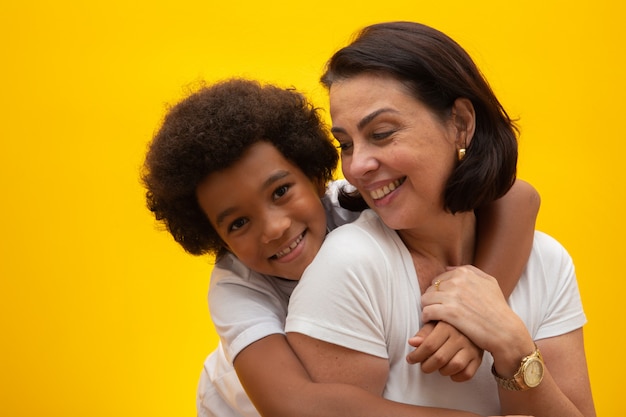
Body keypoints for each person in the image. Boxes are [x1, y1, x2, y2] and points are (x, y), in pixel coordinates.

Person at [142, 78, 540, 417]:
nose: (275, 228)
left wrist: (468, 320)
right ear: (215, 237)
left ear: (316, 175)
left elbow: (519, 197)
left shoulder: (353, 202)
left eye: (281, 191)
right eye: (239, 223)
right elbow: (296, 405)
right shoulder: (237, 286)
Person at [285, 21, 596, 417]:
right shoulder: (351, 265)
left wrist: (513, 348)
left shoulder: (547, 263)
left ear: (461, 124)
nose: (357, 165)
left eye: (382, 133)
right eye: (345, 144)